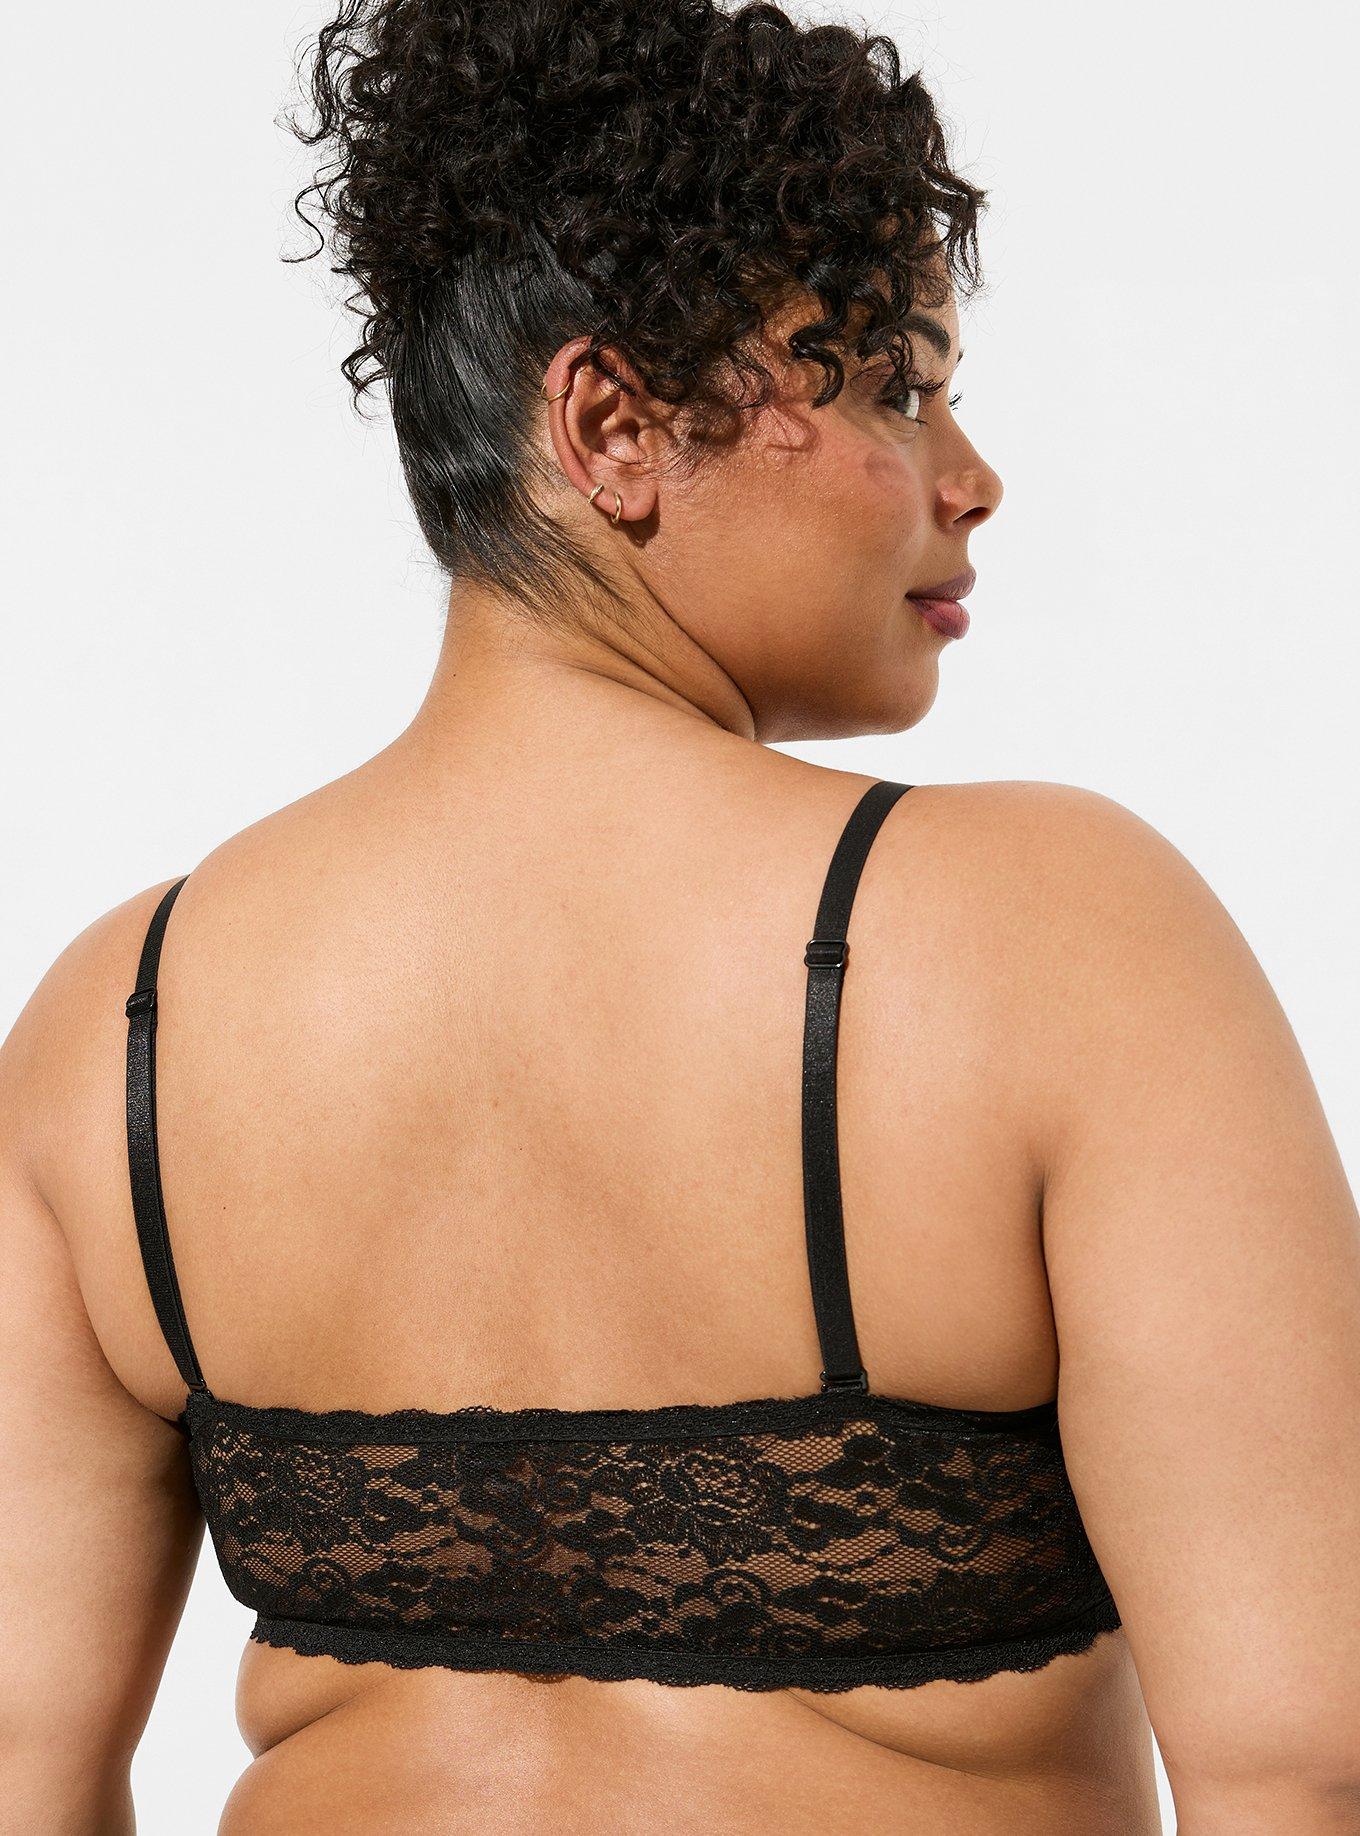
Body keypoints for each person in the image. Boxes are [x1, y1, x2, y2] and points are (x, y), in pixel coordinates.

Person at [3, 2, 1358, 1832]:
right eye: (892, 387)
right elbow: (1306, 1760)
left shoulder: (120, 1023)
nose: (970, 476)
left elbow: (20, 1767)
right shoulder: (1058, 937)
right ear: (613, 426)